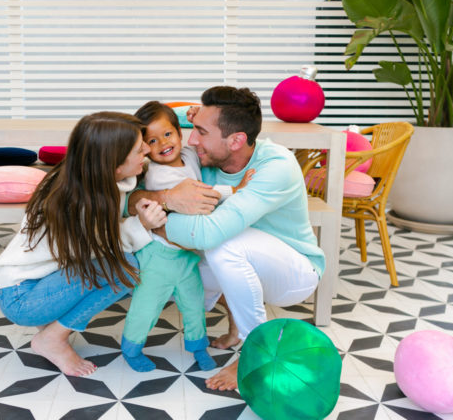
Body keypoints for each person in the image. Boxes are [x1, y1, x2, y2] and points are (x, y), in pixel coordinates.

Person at [128, 86, 325, 390]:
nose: (191, 139)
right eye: (192, 127)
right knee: (171, 267)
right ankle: (235, 328)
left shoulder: (275, 166)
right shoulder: (206, 158)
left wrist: (152, 223)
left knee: (222, 243)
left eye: (201, 132)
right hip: (245, 257)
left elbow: (208, 234)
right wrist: (165, 196)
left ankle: (255, 351)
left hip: (294, 272)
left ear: (236, 140)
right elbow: (129, 198)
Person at [0, 112, 167, 377]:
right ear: (114, 162)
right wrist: (142, 225)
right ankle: (52, 339)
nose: (146, 149)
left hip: (33, 284)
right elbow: (103, 247)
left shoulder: (86, 180)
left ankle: (51, 329)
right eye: (138, 148)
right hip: (23, 298)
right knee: (126, 269)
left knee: (121, 266)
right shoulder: (79, 203)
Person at [121, 101, 253, 373]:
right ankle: (131, 348)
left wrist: (191, 112)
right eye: (153, 140)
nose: (163, 144)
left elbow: (182, 118)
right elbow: (204, 194)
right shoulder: (158, 174)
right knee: (146, 308)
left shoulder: (190, 154)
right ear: (145, 148)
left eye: (168, 135)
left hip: (185, 256)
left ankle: (197, 347)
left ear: (181, 134)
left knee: (194, 307)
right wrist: (236, 190)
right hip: (158, 255)